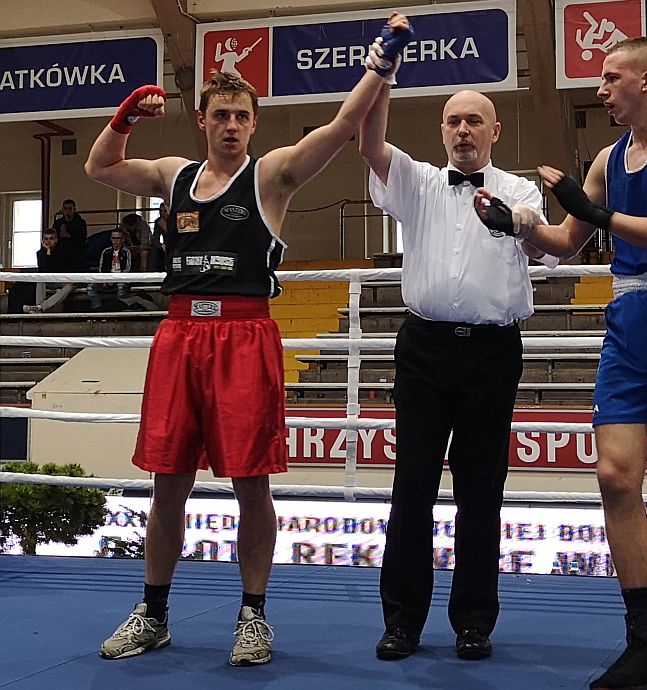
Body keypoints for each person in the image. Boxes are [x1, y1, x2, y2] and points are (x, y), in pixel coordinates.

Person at [85, 14, 413, 667]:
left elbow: (342, 128)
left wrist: (382, 61)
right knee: (167, 482)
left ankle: (253, 616)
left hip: (243, 336)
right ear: (202, 121)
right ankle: (153, 613)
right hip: (179, 334)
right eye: (221, 114)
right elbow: (99, 167)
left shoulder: (272, 177)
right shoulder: (173, 174)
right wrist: (123, 117)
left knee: (251, 483)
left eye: (241, 115)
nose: (231, 124)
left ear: (253, 124)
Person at [478, 37, 647, 688]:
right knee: (616, 476)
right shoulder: (605, 159)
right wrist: (515, 224)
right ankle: (643, 640)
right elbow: (567, 242)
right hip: (630, 320)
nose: (600, 89)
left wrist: (599, 213)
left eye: (610, 77)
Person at [359, 37, 557, 662]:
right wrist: (384, 74)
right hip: (423, 349)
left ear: (494, 130)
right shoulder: (414, 179)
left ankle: (474, 621)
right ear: (441, 131)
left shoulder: (520, 189)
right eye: (453, 120)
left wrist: (520, 223)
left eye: (474, 120)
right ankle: (403, 622)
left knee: (482, 490)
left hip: (492, 353)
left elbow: (542, 246)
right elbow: (368, 142)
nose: (463, 129)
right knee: (410, 487)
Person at [86, 228, 156, 311]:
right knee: (90, 287)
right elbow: (101, 268)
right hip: (106, 279)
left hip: (121, 279)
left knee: (121, 287)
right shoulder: (106, 251)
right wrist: (105, 279)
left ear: (122, 239)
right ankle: (98, 309)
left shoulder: (126, 252)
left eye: (118, 238)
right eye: (113, 238)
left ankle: (119, 309)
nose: (115, 241)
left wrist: (115, 280)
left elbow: (127, 268)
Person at [23, 227, 83, 313]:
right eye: (46, 239)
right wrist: (48, 253)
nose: (48, 241)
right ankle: (39, 308)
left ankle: (39, 308)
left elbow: (77, 265)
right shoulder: (40, 254)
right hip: (51, 281)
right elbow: (43, 271)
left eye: (51, 238)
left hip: (67, 280)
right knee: (39, 280)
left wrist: (71, 279)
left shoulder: (66, 249)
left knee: (68, 287)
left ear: (56, 240)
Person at [149, 202, 168, 272]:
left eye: (165, 211)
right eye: (160, 211)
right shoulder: (158, 222)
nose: (162, 213)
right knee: (153, 249)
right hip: (164, 245)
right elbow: (155, 237)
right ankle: (152, 273)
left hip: (174, 244)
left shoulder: (174, 220)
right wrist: (161, 245)